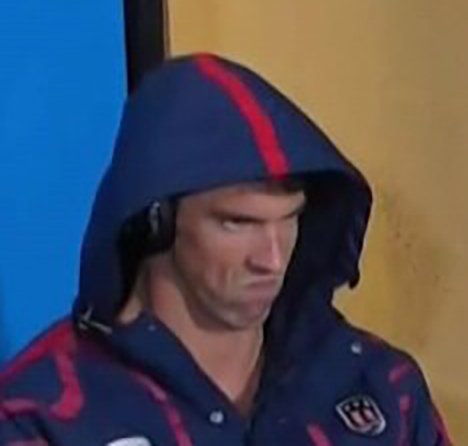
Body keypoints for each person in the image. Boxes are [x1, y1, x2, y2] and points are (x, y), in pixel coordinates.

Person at [0, 53, 452, 445]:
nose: (272, 259)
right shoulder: (41, 414)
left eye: (289, 218)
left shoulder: (381, 385)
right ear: (156, 224)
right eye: (238, 223)